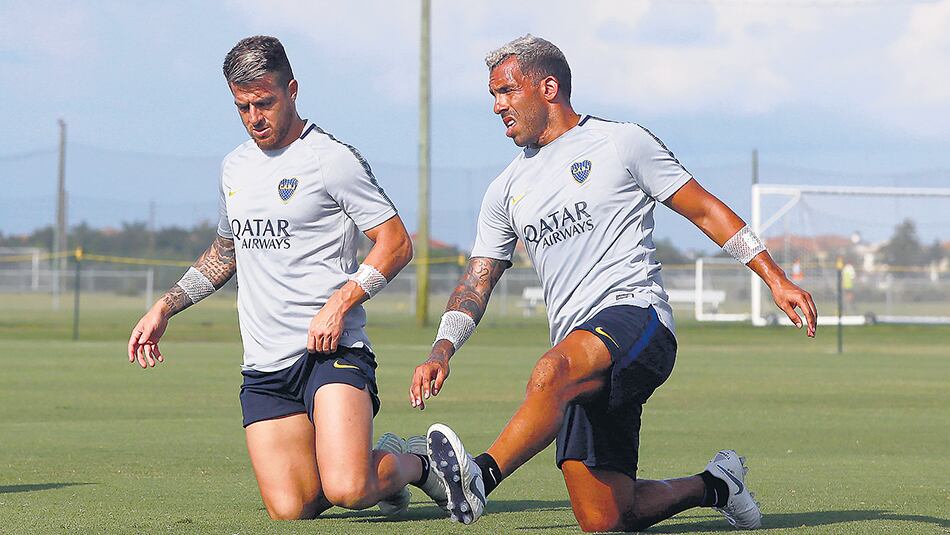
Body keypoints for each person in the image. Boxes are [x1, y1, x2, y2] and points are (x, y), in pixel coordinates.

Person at [409, 35, 818, 532]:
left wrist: (775, 278)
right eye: (492, 95)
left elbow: (705, 209)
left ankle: (479, 477)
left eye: (507, 91)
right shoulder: (505, 190)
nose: (497, 106)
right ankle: (716, 485)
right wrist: (442, 348)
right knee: (607, 519)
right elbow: (477, 281)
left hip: (636, 319)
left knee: (549, 372)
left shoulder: (621, 142)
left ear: (549, 87)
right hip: (578, 357)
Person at [127, 35, 444, 520]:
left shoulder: (330, 158)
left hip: (330, 353)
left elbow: (396, 242)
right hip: (265, 367)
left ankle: (421, 464)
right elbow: (225, 252)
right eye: (243, 107)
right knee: (292, 509)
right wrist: (164, 306)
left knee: (347, 487)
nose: (255, 117)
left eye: (265, 102)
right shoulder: (234, 167)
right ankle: (378, 470)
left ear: (291, 90)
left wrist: (339, 305)